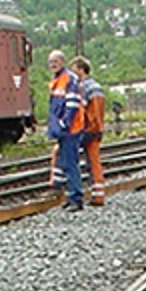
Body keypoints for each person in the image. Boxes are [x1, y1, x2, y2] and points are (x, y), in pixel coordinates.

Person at [45, 49, 84, 212]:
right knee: (65, 163)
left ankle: (76, 198)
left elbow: (72, 104)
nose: (53, 64)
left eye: (55, 61)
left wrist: (64, 123)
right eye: (50, 62)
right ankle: (71, 196)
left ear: (62, 62)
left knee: (70, 162)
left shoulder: (69, 79)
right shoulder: (57, 80)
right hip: (63, 129)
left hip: (71, 129)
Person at [71, 56, 105, 207]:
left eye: (74, 69)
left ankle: (64, 189)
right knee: (94, 162)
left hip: (86, 129)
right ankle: (98, 195)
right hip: (97, 129)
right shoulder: (97, 86)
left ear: (80, 69)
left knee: (65, 154)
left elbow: (80, 110)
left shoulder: (83, 87)